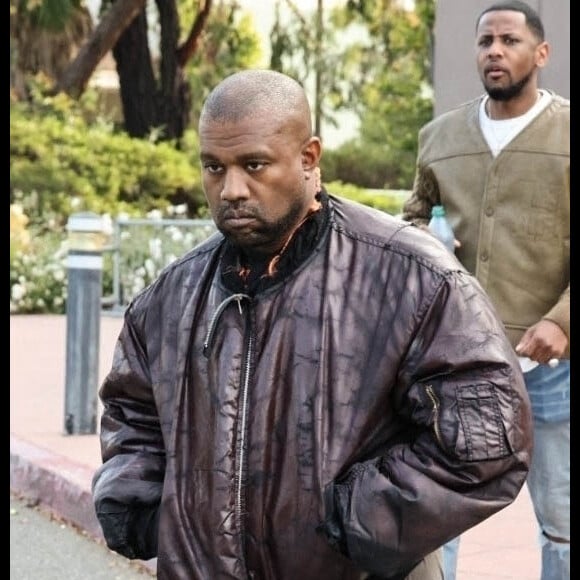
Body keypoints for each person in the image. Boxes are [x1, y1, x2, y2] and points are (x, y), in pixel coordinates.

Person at [92, 69, 533, 580]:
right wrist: (139, 502)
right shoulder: (170, 296)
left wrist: (355, 520)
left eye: (253, 164)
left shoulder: (412, 277)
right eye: (213, 167)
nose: (231, 189)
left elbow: (487, 440)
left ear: (309, 158)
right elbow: (132, 411)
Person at [401, 2, 570, 579]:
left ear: (540, 54)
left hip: (553, 364)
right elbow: (411, 226)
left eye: (509, 40)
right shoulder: (439, 137)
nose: (494, 51)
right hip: (461, 363)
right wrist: (428, 253)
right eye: (485, 41)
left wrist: (563, 322)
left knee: (563, 523)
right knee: (439, 516)